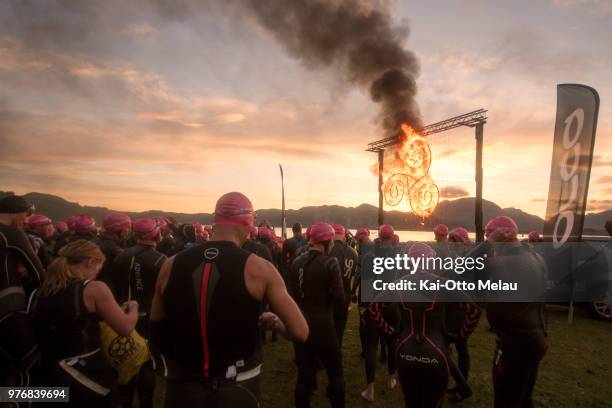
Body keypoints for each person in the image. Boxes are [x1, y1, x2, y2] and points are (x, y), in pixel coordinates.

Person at [149, 192, 308, 408]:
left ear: (216, 220)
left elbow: (156, 326)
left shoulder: (170, 264)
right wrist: (276, 324)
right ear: (248, 222)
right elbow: (300, 331)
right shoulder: (260, 268)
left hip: (183, 388)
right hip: (238, 387)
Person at [29, 240, 139, 407]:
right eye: (98, 269)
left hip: (44, 376)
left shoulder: (38, 292)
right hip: (85, 377)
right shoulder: (94, 289)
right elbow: (125, 328)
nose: (96, 274)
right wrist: (134, 308)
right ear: (91, 262)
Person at [374, 243, 479, 408]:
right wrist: (459, 336)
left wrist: (390, 333)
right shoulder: (444, 284)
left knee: (411, 403)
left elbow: (373, 310)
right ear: (431, 262)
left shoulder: (399, 283)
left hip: (404, 351)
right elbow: (473, 311)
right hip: (436, 351)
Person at [482, 216, 548, 408]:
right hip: (536, 339)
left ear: (501, 237)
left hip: (513, 344)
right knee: (524, 397)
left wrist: (487, 243)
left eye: (491, 237)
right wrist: (544, 332)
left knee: (505, 399)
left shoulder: (503, 262)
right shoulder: (536, 257)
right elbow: (541, 300)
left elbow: (458, 271)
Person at [110, 218, 166, 408]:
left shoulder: (121, 256)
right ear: (157, 234)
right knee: (145, 364)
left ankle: (124, 401)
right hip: (146, 317)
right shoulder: (160, 259)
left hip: (120, 314)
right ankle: (145, 403)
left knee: (125, 361)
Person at [289, 222, 345, 408]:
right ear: (328, 241)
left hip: (301, 325)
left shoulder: (296, 262)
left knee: (304, 376)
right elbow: (340, 299)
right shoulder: (330, 262)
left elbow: (292, 296)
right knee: (336, 374)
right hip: (324, 325)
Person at [0, 195, 44, 394]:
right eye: (26, 215)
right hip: (8, 310)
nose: (26, 220)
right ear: (17, 212)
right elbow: (39, 274)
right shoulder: (11, 233)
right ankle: (22, 400)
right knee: (29, 364)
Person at [360, 224, 400, 402]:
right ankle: (391, 378)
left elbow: (366, 287)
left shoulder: (369, 257)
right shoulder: (399, 256)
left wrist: (365, 309)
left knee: (371, 347)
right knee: (392, 344)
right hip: (392, 305)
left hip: (374, 305)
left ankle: (370, 389)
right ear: (392, 237)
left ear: (378, 237)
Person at [329, 223, 358, 347]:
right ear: (344, 235)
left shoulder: (328, 249)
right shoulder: (354, 252)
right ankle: (336, 353)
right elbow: (351, 275)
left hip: (329, 295)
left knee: (327, 328)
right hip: (345, 294)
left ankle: (322, 357)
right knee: (339, 328)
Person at [93, 212, 132, 288]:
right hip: (109, 291)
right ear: (121, 231)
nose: (127, 233)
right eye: (127, 230)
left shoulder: (93, 241)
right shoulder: (116, 251)